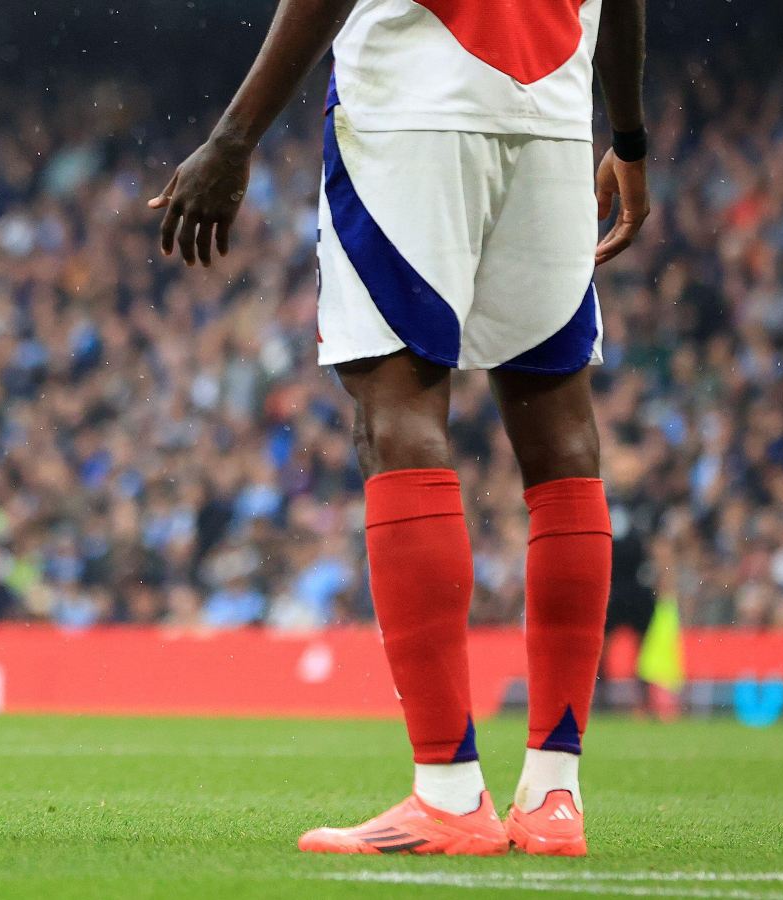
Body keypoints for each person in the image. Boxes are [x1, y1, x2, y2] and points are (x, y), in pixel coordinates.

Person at [152, 0, 649, 856]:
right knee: (561, 435)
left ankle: (450, 793)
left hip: (416, 99)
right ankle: (554, 795)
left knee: (400, 414)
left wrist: (236, 135)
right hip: (555, 111)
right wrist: (630, 136)